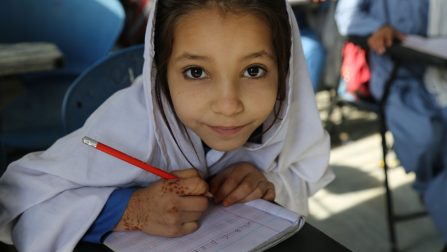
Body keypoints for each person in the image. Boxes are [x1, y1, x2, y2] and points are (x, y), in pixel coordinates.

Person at [0, 0, 334, 251]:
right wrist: (130, 210)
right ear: (160, 71)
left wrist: (270, 182)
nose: (229, 105)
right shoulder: (129, 125)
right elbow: (21, 206)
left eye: (254, 70)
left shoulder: (283, 115)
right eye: (196, 72)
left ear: (287, 73)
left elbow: (306, 172)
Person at [335, 0, 447, 247]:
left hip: (440, 72)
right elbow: (346, 14)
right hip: (399, 79)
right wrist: (376, 28)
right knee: (426, 141)